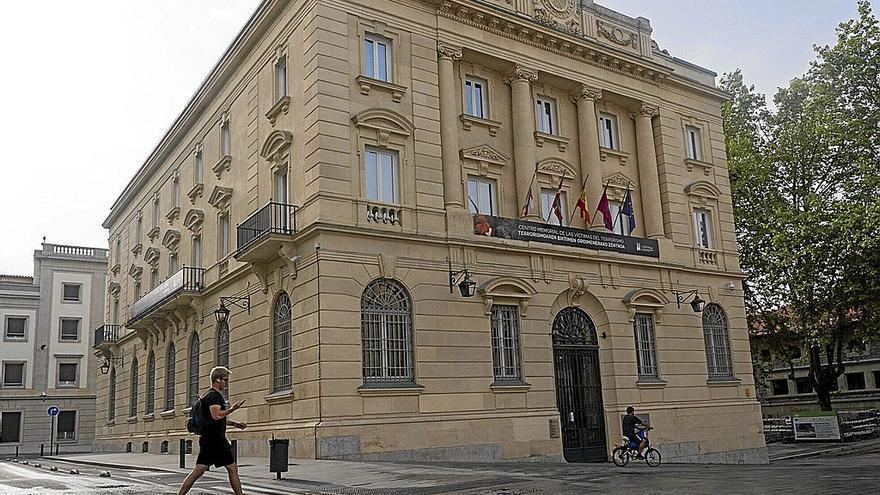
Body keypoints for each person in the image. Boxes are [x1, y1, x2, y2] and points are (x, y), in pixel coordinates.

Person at [178, 366, 247, 495]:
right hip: (216, 440)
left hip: (208, 439)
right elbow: (217, 415)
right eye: (225, 380)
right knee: (232, 468)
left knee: (200, 469)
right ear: (218, 380)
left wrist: (234, 424)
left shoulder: (207, 395)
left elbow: (214, 418)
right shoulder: (215, 396)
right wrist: (233, 409)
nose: (227, 383)